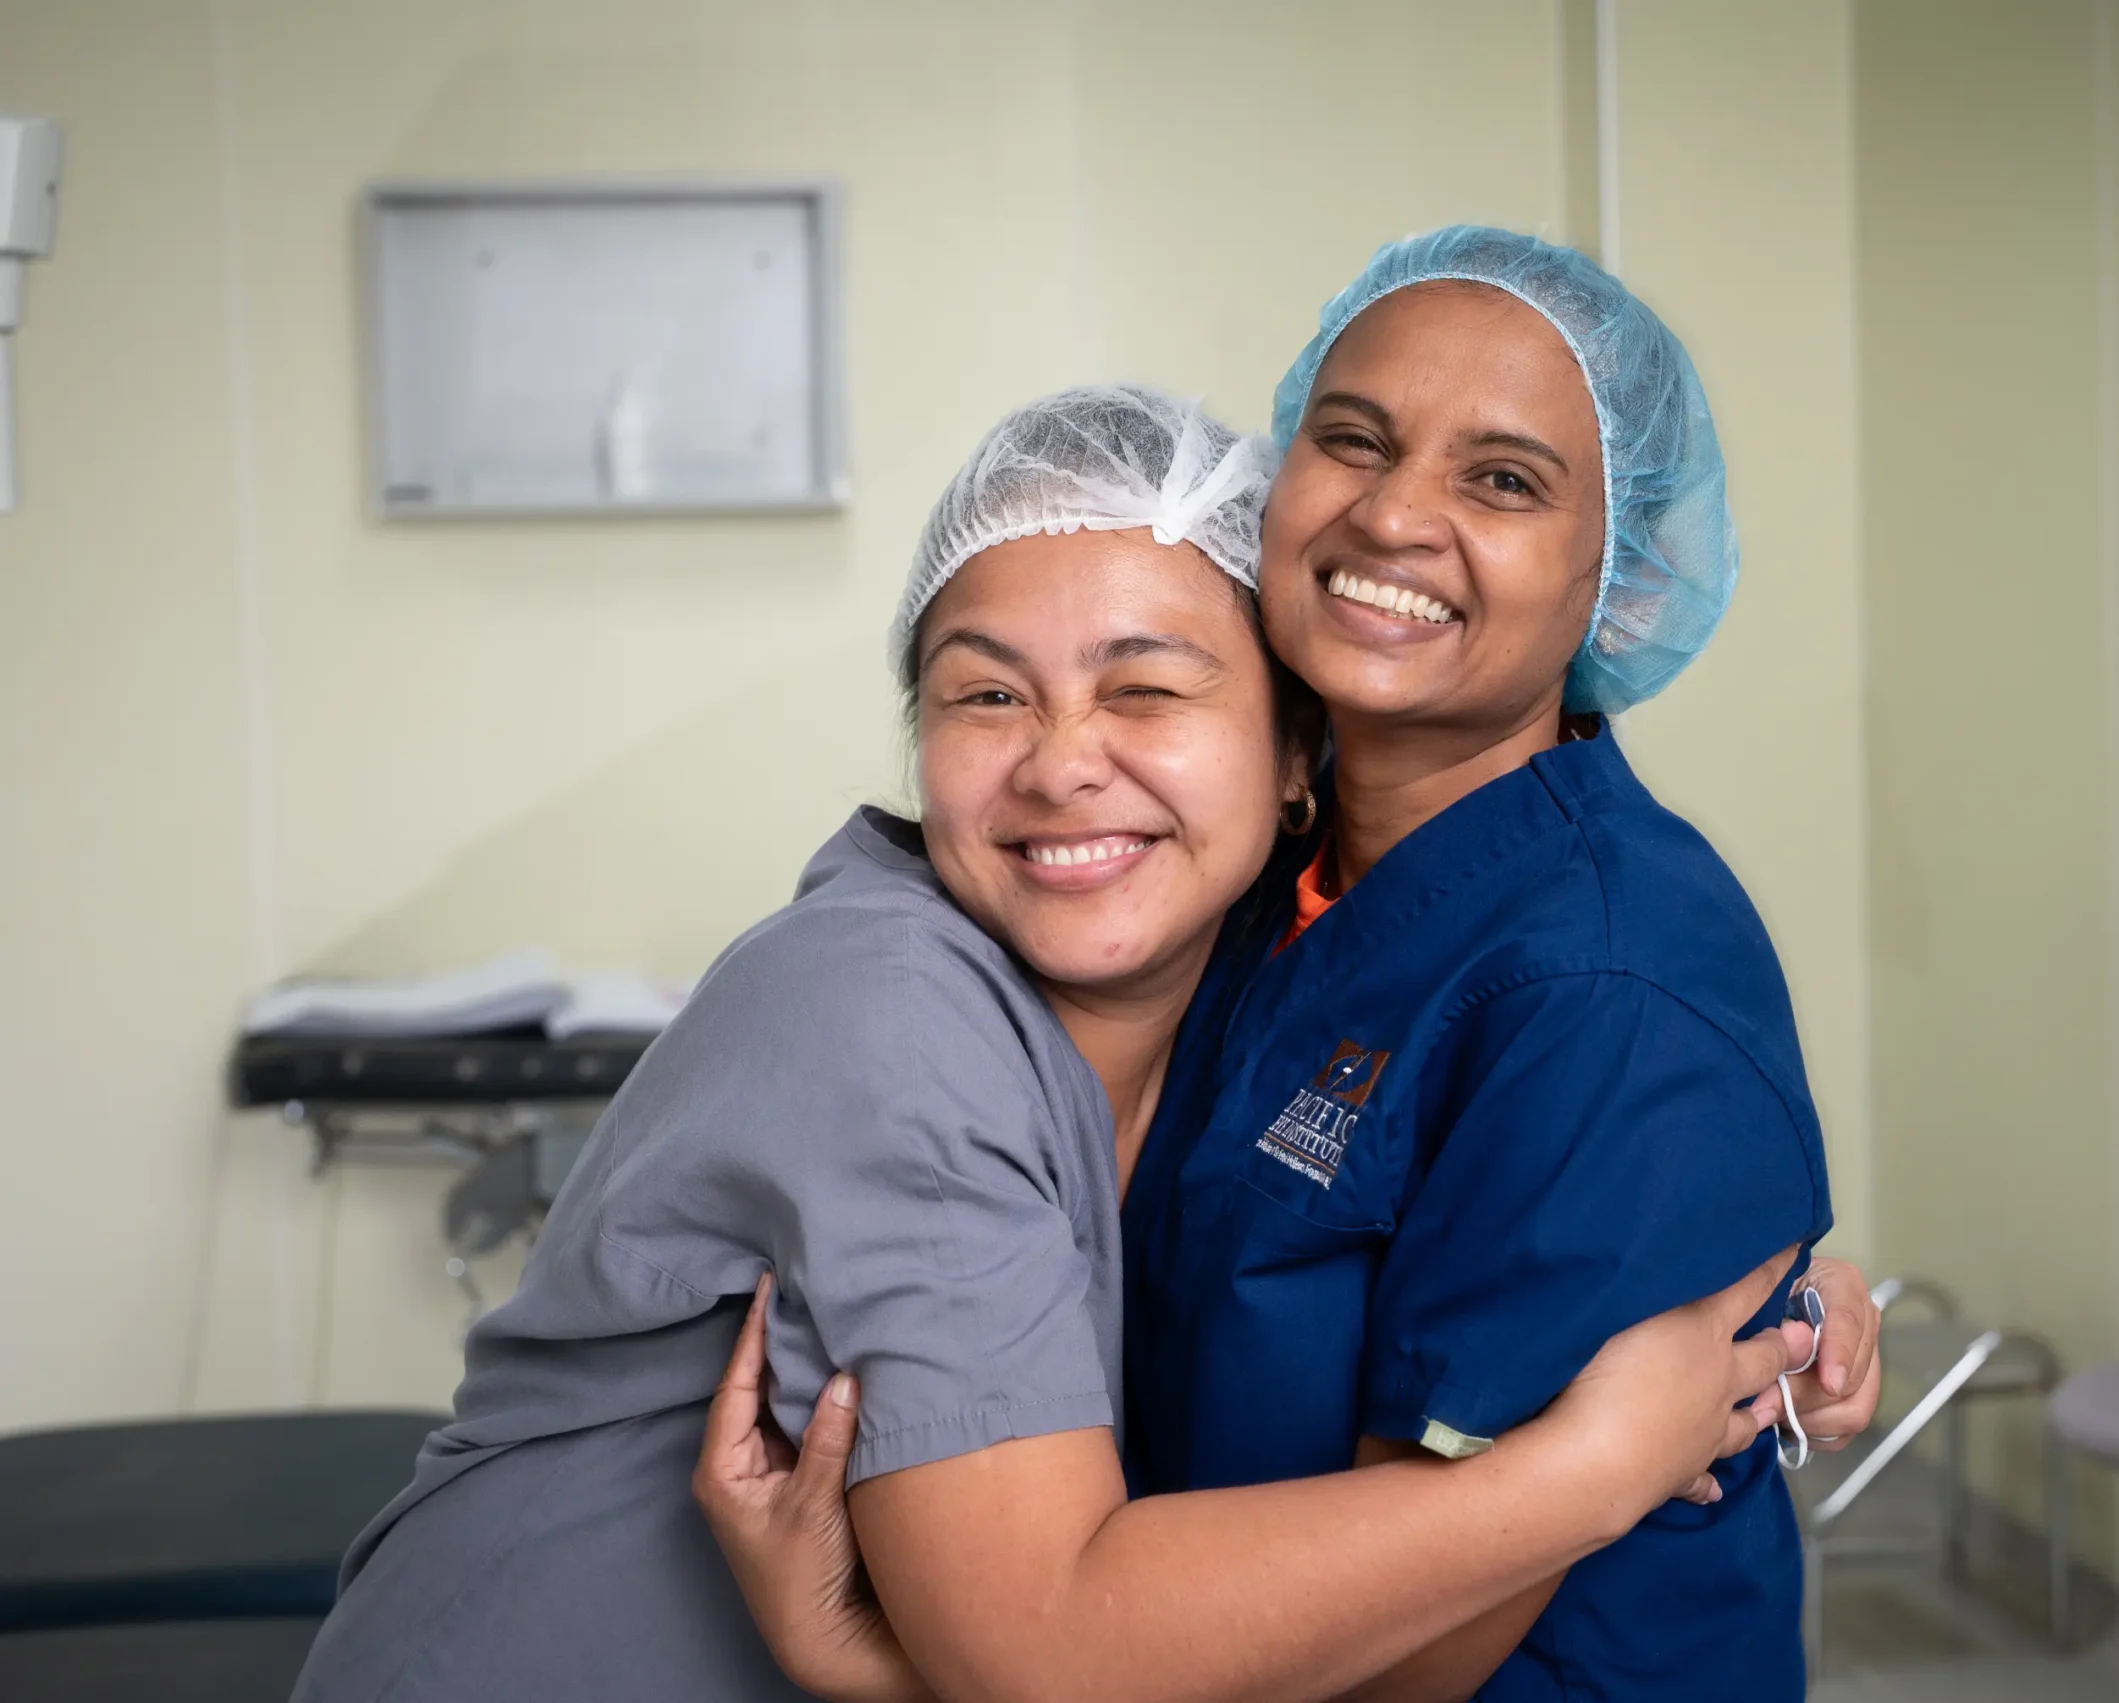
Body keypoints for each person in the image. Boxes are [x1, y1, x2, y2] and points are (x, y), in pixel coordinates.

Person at [290, 385, 1834, 1703]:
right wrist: (1586, 1466)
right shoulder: (887, 1011)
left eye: (1147, 687)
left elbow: (1471, 1132)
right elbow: (1046, 1650)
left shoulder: (1240, 970)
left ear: (1298, 752)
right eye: (985, 694)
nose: (1062, 766)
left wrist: (1780, 1292)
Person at [705, 230, 1871, 1702]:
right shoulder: (1254, 877)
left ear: (1616, 579)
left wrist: (908, 1671)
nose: (1395, 514)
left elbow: (1413, 1652)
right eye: (1353, 439)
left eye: (1502, 480)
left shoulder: (1601, 988)